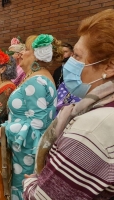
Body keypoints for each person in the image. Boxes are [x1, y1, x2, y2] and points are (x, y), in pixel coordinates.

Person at [23, 9, 114, 200]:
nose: (69, 63)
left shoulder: (92, 129)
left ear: (109, 66)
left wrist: (31, 182)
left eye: (78, 57)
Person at [0, 34, 62, 200]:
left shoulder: (37, 81)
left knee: (21, 191)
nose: (20, 54)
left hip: (28, 151)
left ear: (36, 55)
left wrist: (4, 129)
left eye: (26, 49)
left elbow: (38, 124)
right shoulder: (35, 77)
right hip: (24, 149)